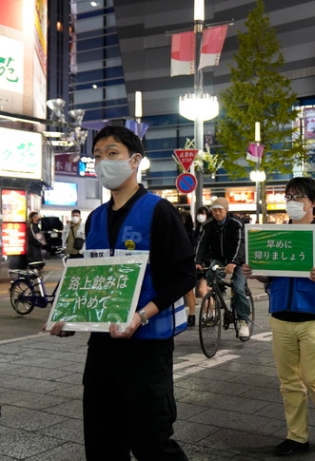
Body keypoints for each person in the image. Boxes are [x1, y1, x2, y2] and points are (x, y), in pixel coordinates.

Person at [48, 125, 195, 460]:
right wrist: (69, 317)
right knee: (102, 442)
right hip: (101, 349)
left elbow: (184, 275)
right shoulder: (95, 219)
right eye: (97, 156)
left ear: (135, 161)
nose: (103, 163)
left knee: (152, 442)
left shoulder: (159, 211)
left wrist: (142, 315)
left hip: (147, 348)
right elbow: (89, 277)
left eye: (112, 154)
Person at [243, 177, 315, 457]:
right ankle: (297, 436)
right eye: (288, 196)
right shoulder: (275, 235)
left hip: (313, 318)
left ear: (313, 201)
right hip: (280, 317)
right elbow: (268, 275)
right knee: (288, 382)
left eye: (298, 196)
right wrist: (255, 272)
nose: (291, 201)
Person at [196, 197, 251, 340]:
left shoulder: (237, 224)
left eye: (220, 210)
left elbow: (241, 245)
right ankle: (220, 292)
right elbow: (202, 244)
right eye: (214, 210)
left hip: (238, 262)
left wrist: (233, 262)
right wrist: (198, 261)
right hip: (219, 260)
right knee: (210, 274)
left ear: (226, 210)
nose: (217, 213)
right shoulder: (208, 225)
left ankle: (243, 320)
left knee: (239, 288)